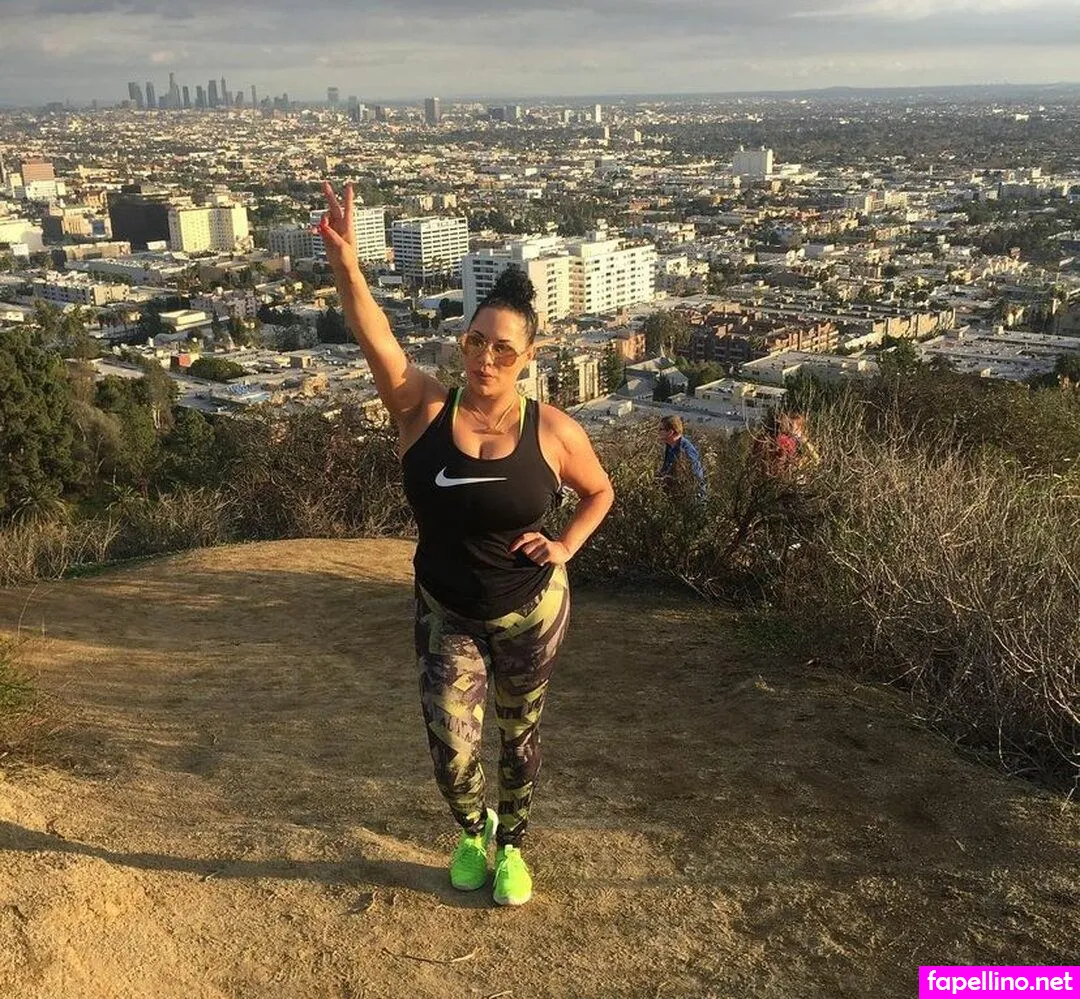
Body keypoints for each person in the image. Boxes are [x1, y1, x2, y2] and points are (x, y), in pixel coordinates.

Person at [317, 183, 614, 907]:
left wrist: (566, 546)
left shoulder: (554, 430)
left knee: (518, 736)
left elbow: (600, 492)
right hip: (446, 609)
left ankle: (512, 847)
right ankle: (474, 831)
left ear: (528, 356)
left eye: (503, 349)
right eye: (476, 342)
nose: (485, 359)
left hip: (530, 611)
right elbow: (375, 337)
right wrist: (348, 267)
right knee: (452, 749)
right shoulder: (420, 408)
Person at [657, 415, 706, 499]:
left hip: (690, 498)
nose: (658, 432)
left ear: (670, 432)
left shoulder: (686, 451)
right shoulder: (670, 446)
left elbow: (696, 479)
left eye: (661, 429)